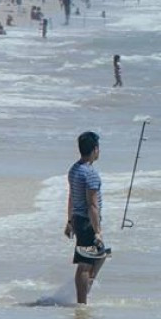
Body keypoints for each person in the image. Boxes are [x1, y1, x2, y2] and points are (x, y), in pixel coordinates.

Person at [64, 131, 109, 305]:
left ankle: (87, 285)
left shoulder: (74, 169)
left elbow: (71, 197)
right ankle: (81, 304)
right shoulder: (90, 174)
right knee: (84, 264)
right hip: (86, 223)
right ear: (95, 149)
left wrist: (69, 221)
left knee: (102, 254)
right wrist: (97, 231)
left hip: (77, 219)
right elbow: (92, 205)